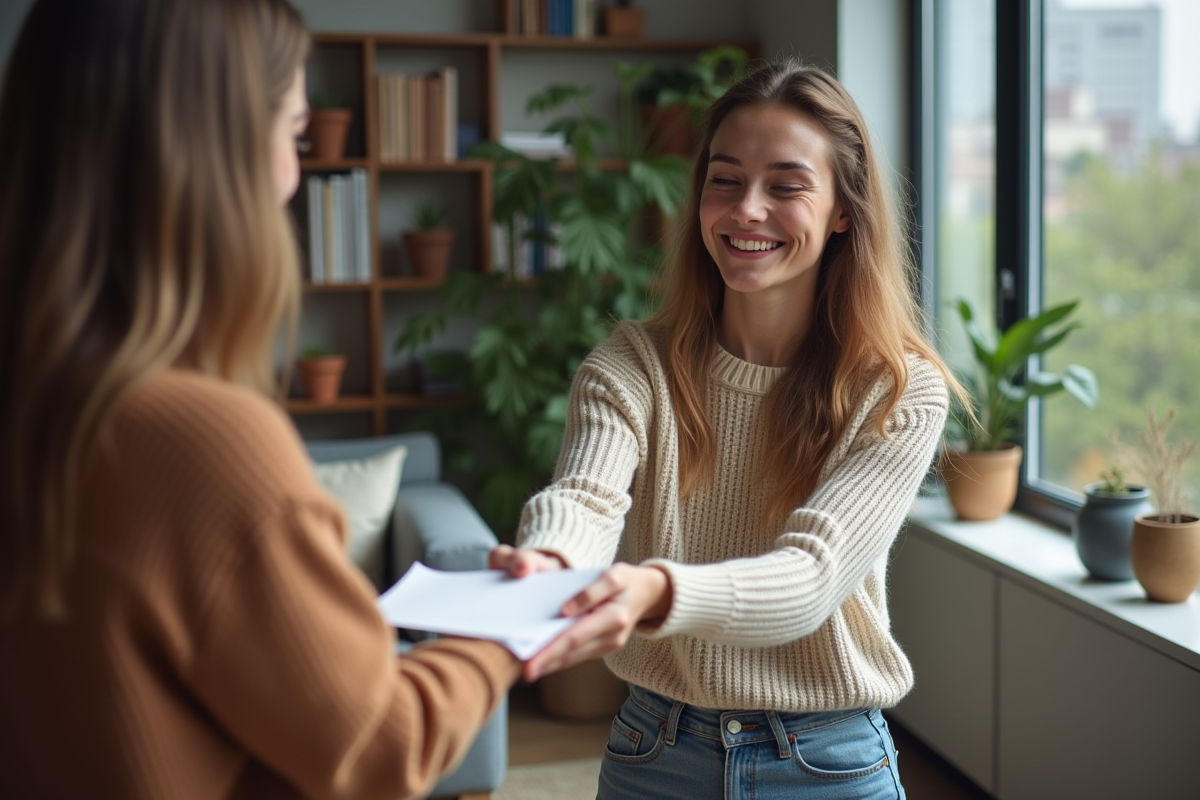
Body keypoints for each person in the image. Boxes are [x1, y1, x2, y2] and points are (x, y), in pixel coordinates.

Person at [0, 1, 530, 797]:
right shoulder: (200, 445)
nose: (294, 178)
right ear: (207, 155)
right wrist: (508, 629)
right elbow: (383, 745)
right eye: (294, 136)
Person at [490, 59, 966, 799]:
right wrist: (549, 560)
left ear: (843, 210)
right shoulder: (632, 365)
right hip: (655, 750)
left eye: (786, 186)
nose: (746, 209)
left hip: (827, 761)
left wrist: (653, 589)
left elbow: (811, 577)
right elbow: (585, 498)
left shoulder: (898, 390)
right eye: (725, 179)